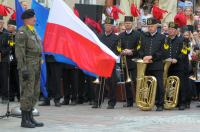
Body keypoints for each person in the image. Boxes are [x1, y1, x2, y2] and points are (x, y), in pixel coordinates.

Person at [15, 9, 44, 128]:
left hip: (36, 65)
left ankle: (30, 117)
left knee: (35, 92)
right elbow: (20, 52)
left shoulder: (33, 31)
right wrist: (23, 68)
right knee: (27, 92)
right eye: (33, 17)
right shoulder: (22, 32)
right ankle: (24, 120)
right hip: (28, 66)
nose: (35, 19)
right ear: (26, 19)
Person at [138, 17, 165, 111]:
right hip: (146, 65)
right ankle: (147, 102)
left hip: (157, 65)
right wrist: (143, 57)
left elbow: (162, 51)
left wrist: (152, 57)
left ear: (156, 26)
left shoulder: (162, 37)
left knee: (159, 86)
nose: (150, 28)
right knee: (146, 85)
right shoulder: (144, 36)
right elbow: (140, 49)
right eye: (148, 26)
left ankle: (160, 104)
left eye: (152, 26)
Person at [92, 17, 119, 109]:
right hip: (101, 63)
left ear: (112, 27)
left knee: (112, 83)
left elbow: (118, 50)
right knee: (99, 83)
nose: (107, 27)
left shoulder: (116, 37)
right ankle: (97, 101)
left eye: (109, 25)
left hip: (110, 63)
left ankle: (111, 102)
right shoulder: (100, 37)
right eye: (106, 25)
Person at [163, 22, 186, 110]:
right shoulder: (165, 40)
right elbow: (164, 51)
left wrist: (177, 59)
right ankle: (171, 101)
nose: (171, 31)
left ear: (176, 31)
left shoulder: (182, 40)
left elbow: (184, 52)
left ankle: (182, 103)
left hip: (178, 65)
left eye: (173, 29)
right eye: (169, 29)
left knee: (180, 84)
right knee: (170, 85)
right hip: (168, 65)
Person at [119, 16, 141, 107]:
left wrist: (132, 52)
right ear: (124, 24)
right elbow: (118, 46)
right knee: (127, 83)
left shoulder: (137, 34)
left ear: (132, 24)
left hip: (134, 61)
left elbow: (140, 47)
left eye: (129, 23)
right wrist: (122, 51)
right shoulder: (120, 35)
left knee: (136, 82)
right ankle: (129, 101)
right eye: (126, 23)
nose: (127, 25)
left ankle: (138, 101)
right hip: (125, 62)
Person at [7, 19, 20, 102]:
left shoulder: (18, 35)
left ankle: (19, 95)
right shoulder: (8, 35)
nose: (8, 28)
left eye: (9, 26)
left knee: (17, 79)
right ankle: (11, 96)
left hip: (16, 61)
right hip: (9, 61)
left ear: (14, 27)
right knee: (10, 79)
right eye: (7, 26)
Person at [0, 16, 10, 103]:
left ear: (3, 23)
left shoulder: (7, 33)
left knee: (4, 78)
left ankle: (5, 97)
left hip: (4, 59)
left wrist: (2, 53)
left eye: (0, 22)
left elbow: (10, 46)